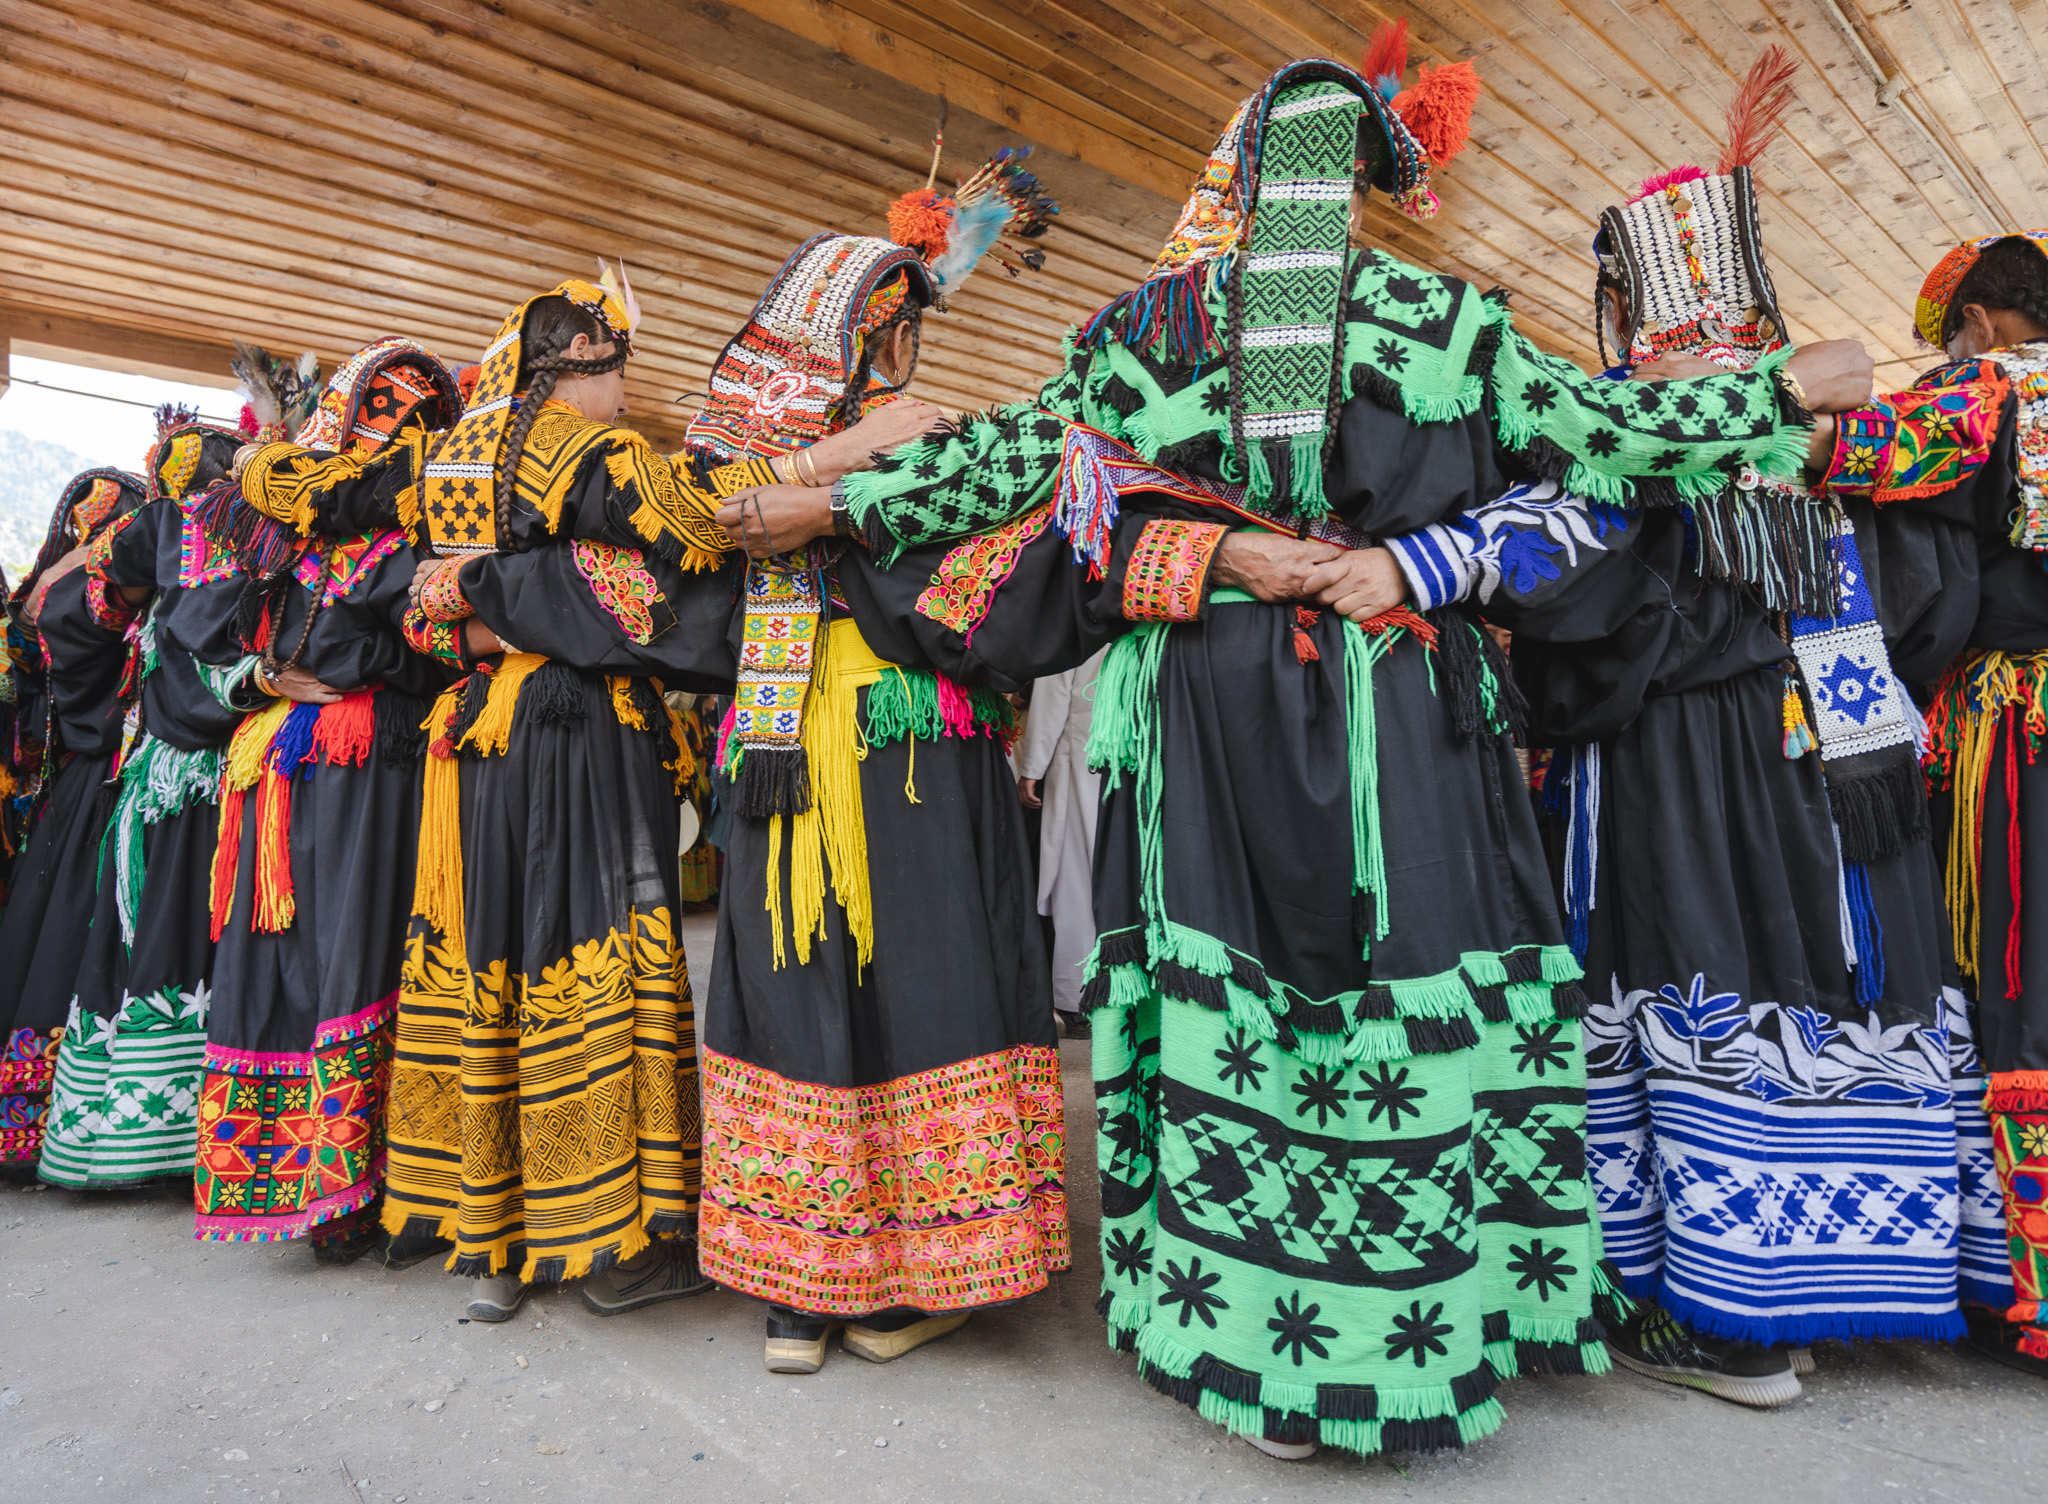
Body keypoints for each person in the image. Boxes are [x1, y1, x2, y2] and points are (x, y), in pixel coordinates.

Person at [717, 46, 1871, 1459]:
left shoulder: (1147, 331)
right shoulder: (1452, 327)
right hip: (1404, 693)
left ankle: (1261, 1340)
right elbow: (1607, 429)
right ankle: (1418, 1318)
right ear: (1378, 186)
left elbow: (1017, 463)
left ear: (1244, 177)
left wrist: (815, 491)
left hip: (1216, 702)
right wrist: (1785, 394)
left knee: (1244, 1001)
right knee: (1405, 980)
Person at [1379, 48, 1971, 1406]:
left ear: (1622, 309)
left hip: (1678, 765)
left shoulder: (1626, 443)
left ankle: (1702, 1304)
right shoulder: (1829, 438)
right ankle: (1811, 1289)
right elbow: (1931, 600)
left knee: (1687, 978)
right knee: (1821, 979)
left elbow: (1573, 613)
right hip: (1842, 751)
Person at [232, 275, 915, 1323]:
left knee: (483, 958)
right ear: (579, 366)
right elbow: (704, 518)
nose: (622, 392)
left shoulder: (432, 456)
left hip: (471, 741)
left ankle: (494, 1241)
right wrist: (830, 457)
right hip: (578, 732)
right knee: (588, 948)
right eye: (616, 371)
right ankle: (611, 1249)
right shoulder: (593, 454)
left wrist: (254, 462)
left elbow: (313, 494)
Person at [680, 199, 1077, 1375]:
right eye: (887, 319)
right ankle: (897, 1275)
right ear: (856, 331)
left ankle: (800, 1292)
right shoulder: (894, 438)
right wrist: (846, 459)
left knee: (817, 979)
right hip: (900, 733)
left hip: (790, 733)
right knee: (913, 975)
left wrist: (815, 482)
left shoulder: (741, 440)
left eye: (904, 318)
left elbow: (716, 521)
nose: (900, 342)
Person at [1814, 229, 2048, 1375]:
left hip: (2018, 725)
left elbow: (1860, 450)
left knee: (2010, 970)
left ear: (1983, 323)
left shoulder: (1991, 391)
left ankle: (2019, 1288)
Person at [192, 339, 466, 1259]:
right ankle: (296, 1179)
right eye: (380, 408)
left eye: (418, 414)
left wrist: (368, 662)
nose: (394, 427)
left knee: (368, 951)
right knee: (287, 960)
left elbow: (440, 645)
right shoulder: (277, 526)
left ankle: (371, 1187)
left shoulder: (426, 530)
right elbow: (195, 635)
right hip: (285, 761)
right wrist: (265, 675)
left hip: (376, 760)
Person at [36, 415, 246, 1190]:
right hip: (210, 768)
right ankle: (186, 1134)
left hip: (173, 766)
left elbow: (70, 611)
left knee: (154, 926)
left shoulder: (155, 532)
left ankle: (136, 1131)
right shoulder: (229, 532)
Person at [0, 467, 151, 1173]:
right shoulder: (85, 601)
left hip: (87, 784)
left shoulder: (62, 599)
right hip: (104, 785)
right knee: (77, 940)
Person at [1014, 649, 1106, 1035]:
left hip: (1082, 758)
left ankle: (1079, 998)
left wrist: (1030, 769)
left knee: (1077, 877)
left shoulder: (1075, 621)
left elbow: (1053, 696)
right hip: (1133, 749)